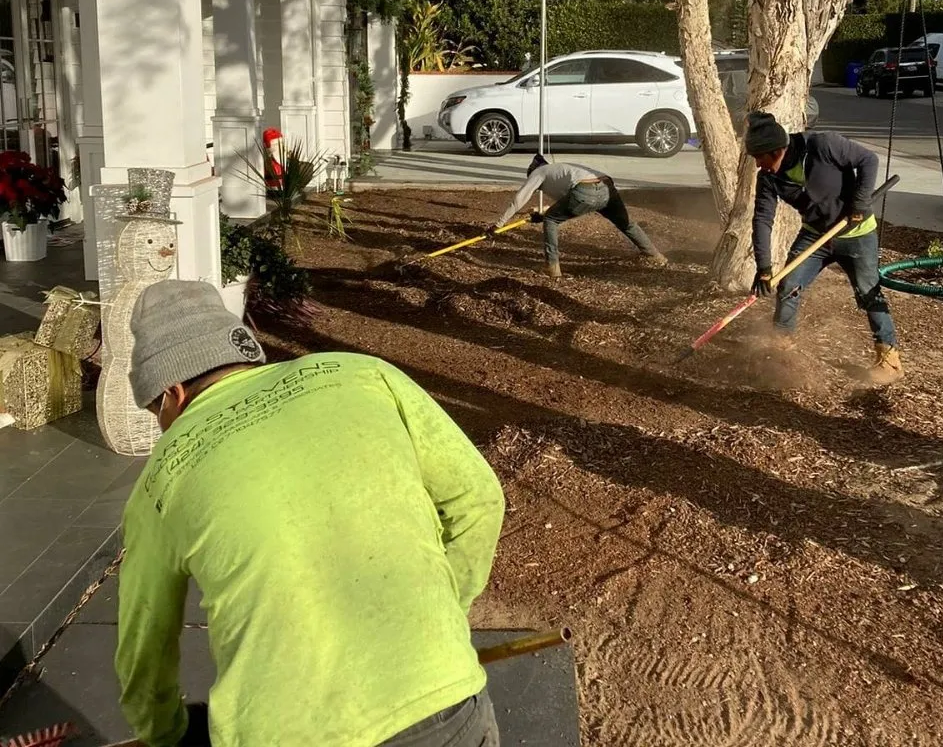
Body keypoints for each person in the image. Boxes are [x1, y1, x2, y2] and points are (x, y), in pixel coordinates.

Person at [116, 280, 505, 747]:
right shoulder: (364, 374)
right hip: (446, 708)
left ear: (172, 392)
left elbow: (145, 643)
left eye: (155, 410)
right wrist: (444, 616)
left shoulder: (159, 481)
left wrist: (165, 734)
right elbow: (479, 501)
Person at [745, 111, 903, 385]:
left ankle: (889, 360)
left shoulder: (823, 146)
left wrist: (859, 203)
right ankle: (781, 351)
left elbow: (868, 160)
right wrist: (764, 267)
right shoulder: (769, 178)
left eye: (760, 157)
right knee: (788, 285)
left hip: (857, 234)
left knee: (869, 292)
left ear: (777, 150)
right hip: (815, 235)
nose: (759, 164)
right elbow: (762, 219)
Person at [492, 154, 665, 278]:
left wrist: (498, 225)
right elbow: (568, 206)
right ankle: (654, 255)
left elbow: (519, 199)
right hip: (606, 186)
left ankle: (552, 269)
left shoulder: (539, 172)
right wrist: (541, 216)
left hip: (585, 190)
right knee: (626, 223)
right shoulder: (560, 171)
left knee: (552, 220)